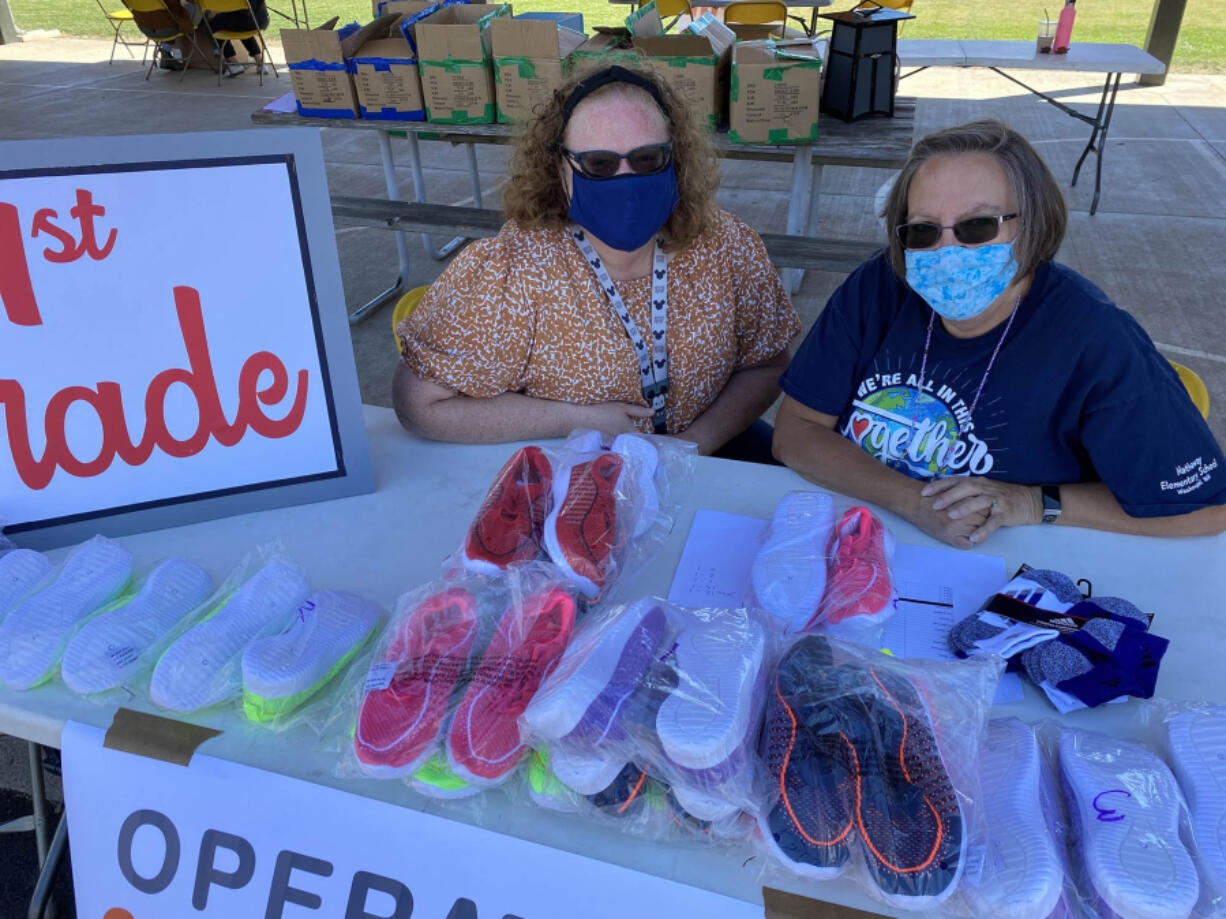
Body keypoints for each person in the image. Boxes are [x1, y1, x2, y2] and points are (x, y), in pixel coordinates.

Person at [774, 119, 1226, 547]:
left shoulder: (1097, 341)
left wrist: (1035, 502)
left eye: (977, 226)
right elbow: (796, 430)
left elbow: (1207, 510)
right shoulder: (880, 287)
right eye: (923, 231)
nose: (946, 248)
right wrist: (912, 502)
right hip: (859, 537)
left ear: (1031, 224)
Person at [393, 64, 799, 461]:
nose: (626, 179)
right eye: (599, 164)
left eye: (647, 159)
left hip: (708, 452)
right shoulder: (513, 270)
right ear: (560, 168)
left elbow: (768, 364)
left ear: (677, 159)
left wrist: (697, 442)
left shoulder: (726, 246)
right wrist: (575, 420)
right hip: (571, 462)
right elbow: (419, 406)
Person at [206, 0, 269, 76]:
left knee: (213, 23)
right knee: (243, 27)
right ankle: (260, 62)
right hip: (261, 21)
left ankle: (233, 63)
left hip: (243, 21)